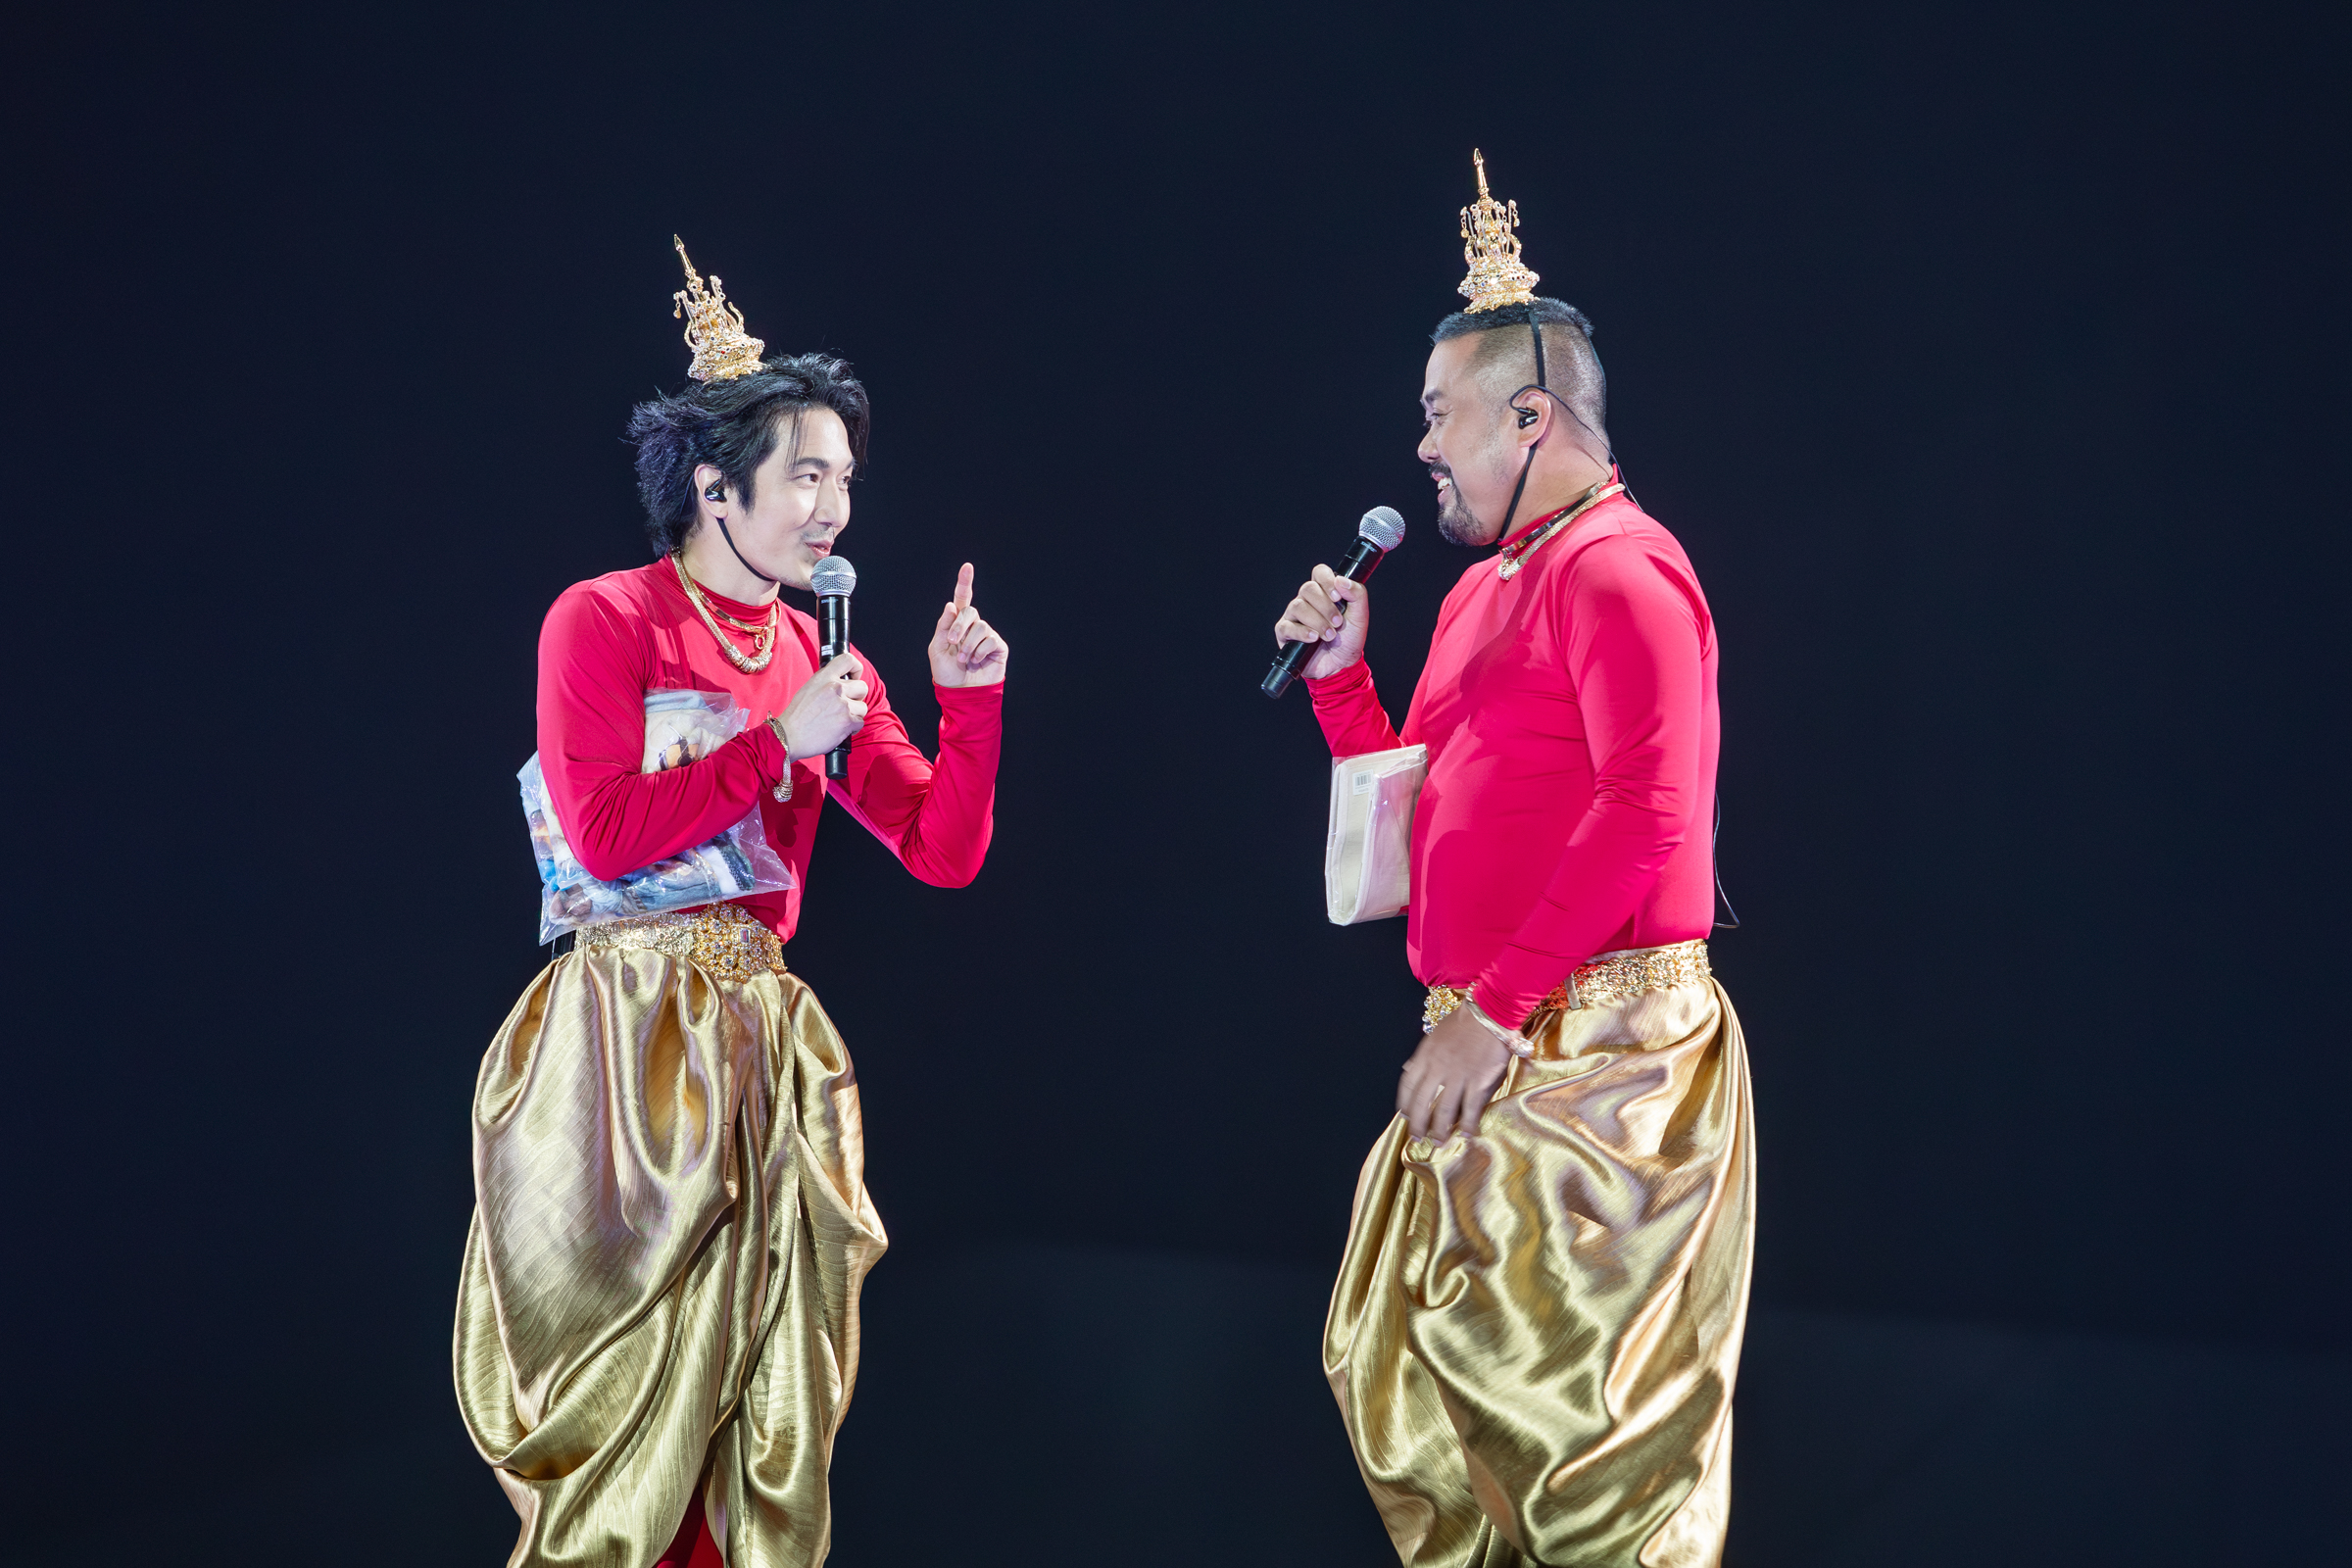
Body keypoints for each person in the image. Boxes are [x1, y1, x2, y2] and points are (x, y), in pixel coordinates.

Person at [454, 240, 1008, 1568]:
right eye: (807, 476)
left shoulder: (824, 655)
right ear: (715, 488)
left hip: (757, 1047)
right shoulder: (604, 619)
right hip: (620, 1042)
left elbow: (940, 850)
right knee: (626, 1402)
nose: (835, 510)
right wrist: (775, 744)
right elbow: (600, 835)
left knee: (753, 1406)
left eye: (844, 480)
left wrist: (971, 703)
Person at [1274, 155, 1753, 1567]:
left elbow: (1652, 808)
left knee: (1578, 1464)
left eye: (1442, 413)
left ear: (1530, 415)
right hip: (1499, 1042)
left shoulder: (1619, 566)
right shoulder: (1486, 588)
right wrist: (1343, 684)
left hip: (1598, 1062)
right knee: (1427, 1408)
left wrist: (1490, 1014)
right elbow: (1425, 816)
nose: (1422, 444)